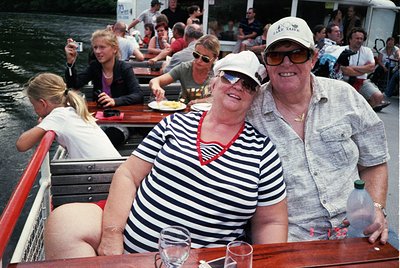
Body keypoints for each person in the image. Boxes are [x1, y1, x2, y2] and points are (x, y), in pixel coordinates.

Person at [43, 51, 288, 259]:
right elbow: (128, 174)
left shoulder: (262, 151)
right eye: (230, 76)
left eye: (248, 84)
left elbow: (271, 222)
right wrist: (112, 233)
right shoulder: (175, 123)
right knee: (63, 223)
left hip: (200, 261)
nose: (237, 86)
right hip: (129, 249)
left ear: (254, 95)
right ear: (213, 83)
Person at [247, 16, 391, 245]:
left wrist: (376, 208)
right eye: (276, 55)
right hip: (293, 239)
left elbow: (374, 161)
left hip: (358, 230)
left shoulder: (345, 96)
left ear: (313, 58)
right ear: (266, 62)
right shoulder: (250, 110)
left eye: (297, 54)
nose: (286, 63)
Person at [16, 73, 120, 159]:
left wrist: (44, 123)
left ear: (43, 103)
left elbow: (21, 144)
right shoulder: (72, 110)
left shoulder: (57, 116)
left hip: (103, 176)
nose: (34, 110)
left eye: (34, 105)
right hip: (112, 169)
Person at [65, 29, 143, 107]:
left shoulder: (124, 68)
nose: (97, 51)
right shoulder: (94, 67)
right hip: (99, 113)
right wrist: (70, 63)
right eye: (95, 48)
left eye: (102, 47)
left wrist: (115, 101)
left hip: (121, 114)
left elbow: (138, 95)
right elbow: (73, 85)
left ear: (114, 49)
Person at [150, 34, 219, 105]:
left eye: (205, 58)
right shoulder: (184, 68)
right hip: (183, 111)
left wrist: (197, 102)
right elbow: (154, 81)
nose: (198, 60)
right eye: (196, 55)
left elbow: (221, 98)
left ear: (214, 58)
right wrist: (157, 87)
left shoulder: (219, 73)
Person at [341, 27, 390, 110]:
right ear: (350, 39)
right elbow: (345, 70)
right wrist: (363, 70)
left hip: (362, 81)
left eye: (361, 39)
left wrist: (352, 68)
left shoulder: (367, 51)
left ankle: (362, 111)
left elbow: (371, 68)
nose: (359, 40)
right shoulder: (342, 50)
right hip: (345, 80)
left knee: (378, 97)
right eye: (357, 38)